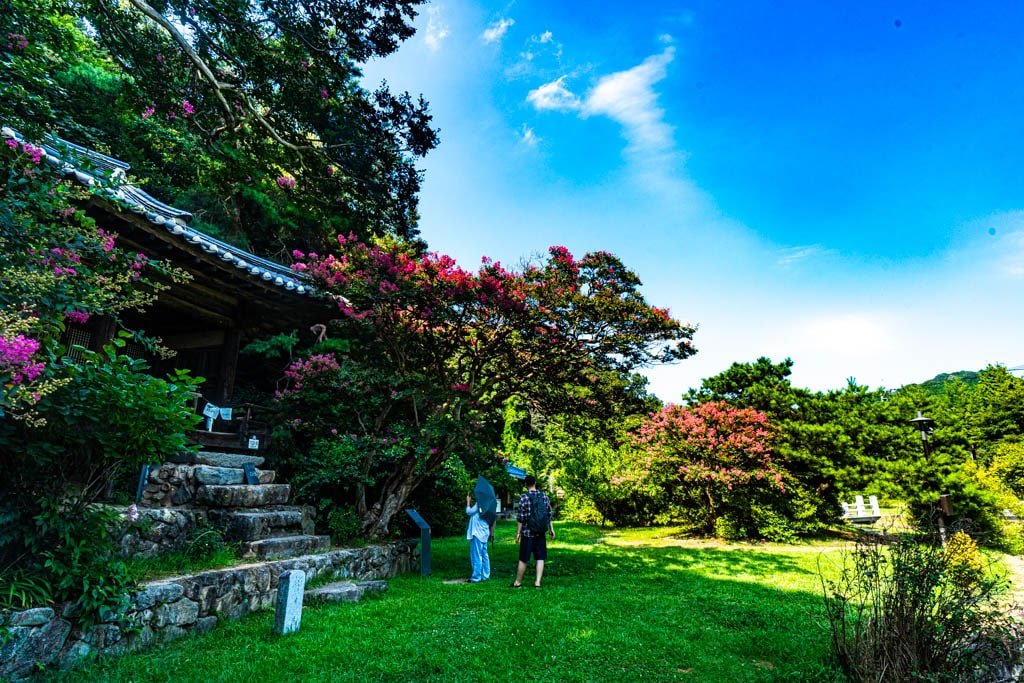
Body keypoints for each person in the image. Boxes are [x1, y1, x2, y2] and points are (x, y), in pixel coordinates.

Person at [512, 475, 555, 588]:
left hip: (527, 533)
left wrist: (517, 534)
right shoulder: (544, 496)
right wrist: (551, 529)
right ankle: (537, 582)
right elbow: (549, 514)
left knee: (523, 558)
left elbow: (521, 517)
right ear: (535, 482)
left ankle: (518, 582)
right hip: (540, 532)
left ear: (525, 484)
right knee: (540, 558)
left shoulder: (524, 497)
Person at [465, 494, 492, 582]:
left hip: (477, 533)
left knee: (476, 555)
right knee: (484, 555)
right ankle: (485, 575)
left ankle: (476, 577)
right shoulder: (489, 505)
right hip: (484, 533)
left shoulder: (479, 504)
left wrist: (468, 502)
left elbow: (469, 512)